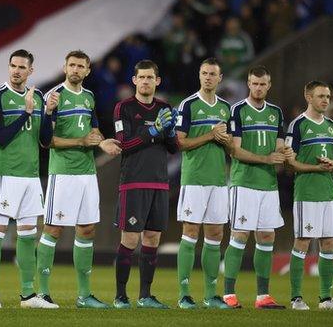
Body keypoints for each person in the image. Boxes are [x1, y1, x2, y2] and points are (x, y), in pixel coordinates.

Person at [36, 50, 121, 309]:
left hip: (87, 173)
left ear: (87, 71)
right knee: (53, 229)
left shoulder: (89, 97)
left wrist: (102, 141)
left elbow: (93, 129)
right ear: (64, 67)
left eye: (80, 66)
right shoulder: (54, 97)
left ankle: (84, 295)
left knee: (87, 229)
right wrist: (80, 141)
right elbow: (46, 140)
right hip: (62, 173)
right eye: (71, 65)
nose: (75, 69)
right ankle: (41, 293)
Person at [0, 49, 57, 309]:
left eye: (21, 67)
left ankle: (28, 295)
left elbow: (45, 140)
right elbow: (1, 137)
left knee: (28, 235)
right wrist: (26, 113)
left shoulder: (37, 96)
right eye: (13, 65)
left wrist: (47, 114)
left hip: (31, 176)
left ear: (31, 71)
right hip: (7, 173)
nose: (16, 70)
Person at [112, 60, 178, 309]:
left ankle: (145, 296)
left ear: (157, 81)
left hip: (159, 183)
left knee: (151, 239)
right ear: (134, 80)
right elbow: (123, 145)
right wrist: (152, 132)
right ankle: (120, 296)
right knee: (130, 239)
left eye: (151, 77)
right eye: (142, 77)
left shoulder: (164, 107)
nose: (146, 81)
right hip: (133, 181)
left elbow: (173, 149)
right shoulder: (124, 108)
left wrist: (169, 132)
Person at [223, 66, 289, 309]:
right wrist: (266, 159)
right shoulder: (238, 110)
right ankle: (228, 294)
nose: (258, 88)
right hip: (244, 183)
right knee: (240, 234)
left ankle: (263, 296)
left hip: (268, 184)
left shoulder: (276, 112)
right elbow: (235, 150)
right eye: (254, 83)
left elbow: (280, 146)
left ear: (268, 85)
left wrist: (284, 154)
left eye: (262, 84)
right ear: (248, 84)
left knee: (266, 236)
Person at [175, 57, 232, 309]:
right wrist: (211, 135)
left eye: (213, 74)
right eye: (204, 73)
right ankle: (184, 294)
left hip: (218, 180)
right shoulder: (188, 105)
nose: (208, 77)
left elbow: (230, 143)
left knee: (215, 235)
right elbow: (180, 142)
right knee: (190, 233)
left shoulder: (226, 108)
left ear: (220, 79)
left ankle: (211, 295)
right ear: (199, 76)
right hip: (195, 179)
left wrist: (226, 140)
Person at [285, 81, 333, 311]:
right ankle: (296, 298)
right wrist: (315, 168)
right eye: (321, 96)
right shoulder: (298, 125)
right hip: (306, 193)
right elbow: (290, 164)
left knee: (329, 242)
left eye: (328, 96)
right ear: (308, 97)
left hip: (329, 193)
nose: (326, 100)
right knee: (302, 241)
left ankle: (326, 298)